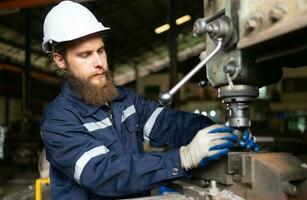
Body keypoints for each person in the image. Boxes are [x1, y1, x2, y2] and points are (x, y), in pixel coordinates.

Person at [40, 1, 258, 199]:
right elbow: (102, 173)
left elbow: (168, 123)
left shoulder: (123, 100)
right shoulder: (58, 121)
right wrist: (182, 158)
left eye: (101, 50)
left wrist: (216, 134)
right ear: (60, 60)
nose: (99, 63)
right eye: (85, 55)